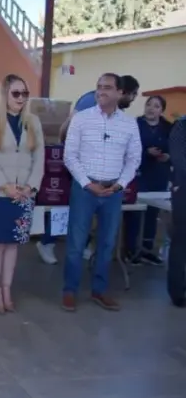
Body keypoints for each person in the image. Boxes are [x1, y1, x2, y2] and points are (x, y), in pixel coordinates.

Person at [36, 76, 140, 264]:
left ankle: (84, 246)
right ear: (122, 92)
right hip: (76, 163)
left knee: (90, 218)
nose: (132, 100)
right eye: (132, 95)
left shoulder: (124, 120)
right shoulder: (89, 101)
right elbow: (68, 124)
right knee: (65, 205)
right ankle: (47, 242)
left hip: (103, 174)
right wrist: (62, 145)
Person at [62, 73, 141, 312]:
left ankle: (99, 291)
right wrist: (87, 183)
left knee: (107, 243)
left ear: (120, 93)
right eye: (98, 87)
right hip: (85, 189)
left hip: (113, 190)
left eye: (107, 87)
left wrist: (119, 185)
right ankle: (69, 291)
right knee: (76, 243)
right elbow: (69, 155)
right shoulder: (82, 119)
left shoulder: (129, 124)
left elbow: (133, 158)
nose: (101, 91)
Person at [0, 75, 44, 313]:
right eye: (16, 93)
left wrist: (30, 186)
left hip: (24, 194)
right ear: (4, 95)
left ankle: (7, 288)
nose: (21, 98)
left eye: (24, 93)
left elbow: (39, 158)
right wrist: (5, 186)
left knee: (13, 244)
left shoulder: (33, 121)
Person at [122, 95, 171, 265]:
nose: (151, 108)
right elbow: (127, 149)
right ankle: (130, 249)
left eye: (156, 106)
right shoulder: (135, 125)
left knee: (152, 213)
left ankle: (147, 250)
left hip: (159, 175)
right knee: (135, 213)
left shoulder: (168, 128)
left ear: (161, 110)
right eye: (148, 104)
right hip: (138, 174)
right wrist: (145, 153)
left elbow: (175, 149)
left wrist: (167, 157)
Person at [167, 115, 186, 308]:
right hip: (184, 191)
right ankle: (177, 291)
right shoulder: (182, 125)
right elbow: (180, 160)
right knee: (181, 241)